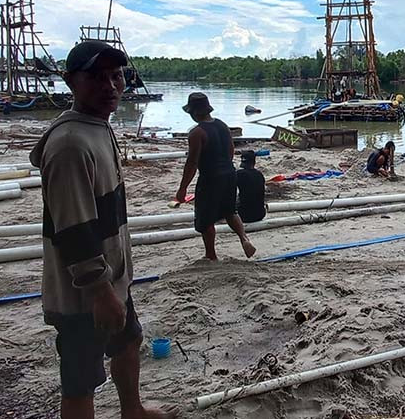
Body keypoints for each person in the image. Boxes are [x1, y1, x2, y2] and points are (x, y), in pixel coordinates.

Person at [29, 40, 175, 419]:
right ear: (70, 82)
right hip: (84, 291)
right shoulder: (69, 145)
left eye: (117, 77)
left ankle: (133, 410)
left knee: (129, 342)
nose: (110, 86)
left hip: (113, 279)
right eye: (96, 77)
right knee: (81, 379)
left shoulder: (98, 127)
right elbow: (74, 228)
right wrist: (98, 292)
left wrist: (115, 285)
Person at [176, 92, 256, 261]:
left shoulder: (197, 133)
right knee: (230, 211)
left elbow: (192, 163)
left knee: (206, 219)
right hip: (229, 173)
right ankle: (244, 238)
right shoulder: (222, 125)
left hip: (210, 178)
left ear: (193, 113)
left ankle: (211, 254)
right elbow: (231, 151)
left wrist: (182, 188)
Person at [235, 150, 267, 223]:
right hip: (260, 214)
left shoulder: (239, 174)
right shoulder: (259, 174)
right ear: (254, 162)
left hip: (244, 216)